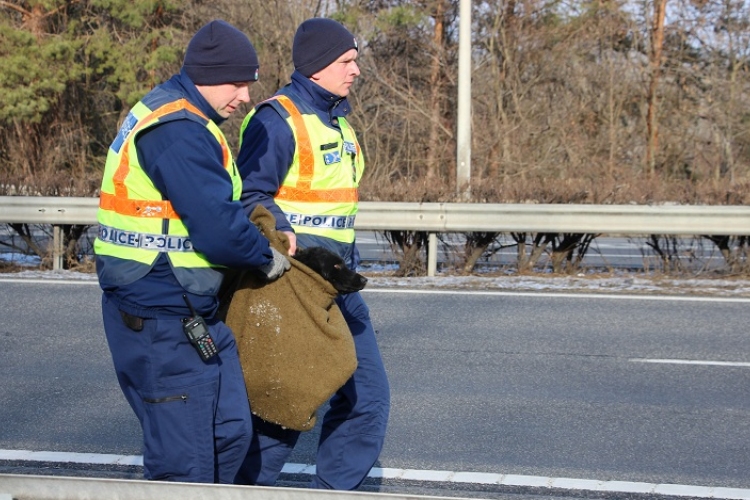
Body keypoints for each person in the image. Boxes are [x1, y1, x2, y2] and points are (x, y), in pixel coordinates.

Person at [94, 20, 289, 484]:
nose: (245, 97)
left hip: (189, 312)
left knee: (228, 432)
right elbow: (218, 230)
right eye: (238, 83)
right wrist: (266, 258)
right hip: (163, 316)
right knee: (185, 465)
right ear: (207, 73)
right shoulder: (178, 129)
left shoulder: (184, 114)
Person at [233, 17, 390, 490]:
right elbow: (249, 195)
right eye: (347, 61)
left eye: (355, 60)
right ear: (318, 66)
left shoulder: (337, 121)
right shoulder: (275, 119)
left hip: (336, 285)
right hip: (294, 286)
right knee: (287, 404)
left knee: (367, 394)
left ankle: (333, 489)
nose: (356, 70)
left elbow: (335, 210)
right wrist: (280, 229)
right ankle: (241, 488)